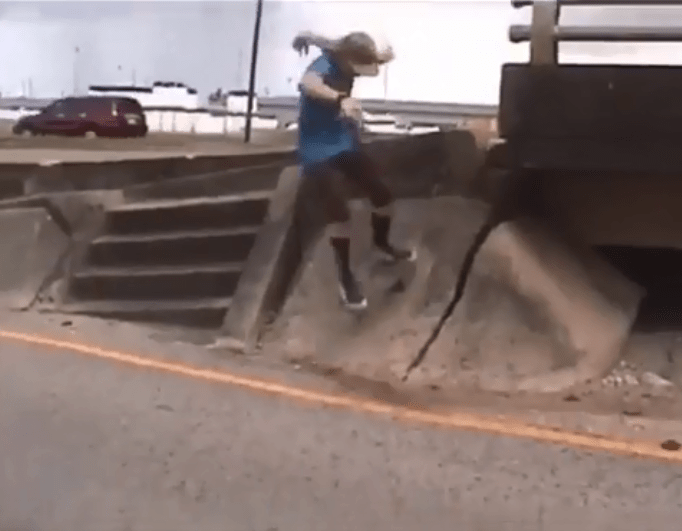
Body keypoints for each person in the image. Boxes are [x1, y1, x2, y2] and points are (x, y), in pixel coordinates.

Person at [293, 30, 415, 311]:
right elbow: (308, 83)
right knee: (339, 213)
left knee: (382, 194)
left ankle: (381, 242)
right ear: (347, 59)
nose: (361, 74)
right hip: (316, 148)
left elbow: (333, 43)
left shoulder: (346, 54)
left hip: (343, 141)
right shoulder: (323, 65)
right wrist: (339, 99)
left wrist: (307, 36)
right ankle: (345, 277)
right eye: (359, 67)